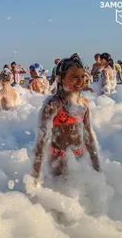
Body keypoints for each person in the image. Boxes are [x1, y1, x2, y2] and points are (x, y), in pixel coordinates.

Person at [30, 55, 101, 185]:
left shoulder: (83, 104)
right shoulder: (53, 105)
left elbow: (88, 135)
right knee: (63, 188)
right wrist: (34, 179)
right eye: (74, 77)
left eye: (82, 76)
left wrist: (97, 168)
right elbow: (41, 142)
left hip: (80, 154)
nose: (80, 81)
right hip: (59, 156)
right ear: (60, 79)